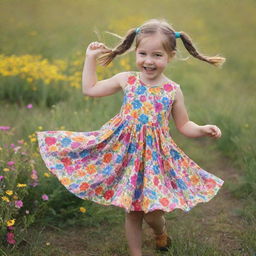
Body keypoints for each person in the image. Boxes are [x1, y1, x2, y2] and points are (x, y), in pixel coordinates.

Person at [37, 18, 225, 256]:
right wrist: (90, 58)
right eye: (143, 53)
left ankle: (160, 231)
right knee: (133, 209)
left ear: (170, 56)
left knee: (154, 213)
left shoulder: (172, 90)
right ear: (135, 52)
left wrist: (203, 129)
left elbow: (184, 125)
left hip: (156, 158)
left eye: (157, 55)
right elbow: (90, 89)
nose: (148, 61)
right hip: (124, 152)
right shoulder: (127, 80)